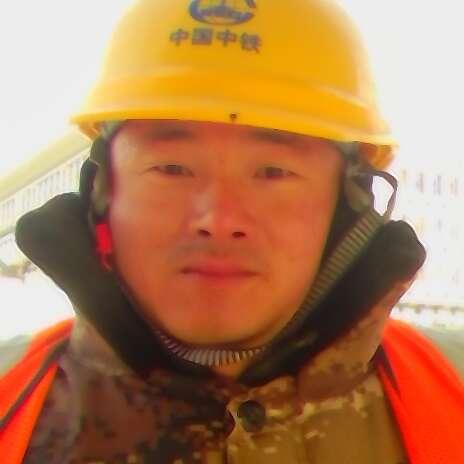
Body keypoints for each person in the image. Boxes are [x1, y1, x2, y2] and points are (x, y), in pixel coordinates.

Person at [1, 1, 463, 463]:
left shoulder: (452, 386)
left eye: (273, 172)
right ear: (102, 192)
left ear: (349, 206)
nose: (219, 219)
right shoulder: (10, 394)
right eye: (172, 168)